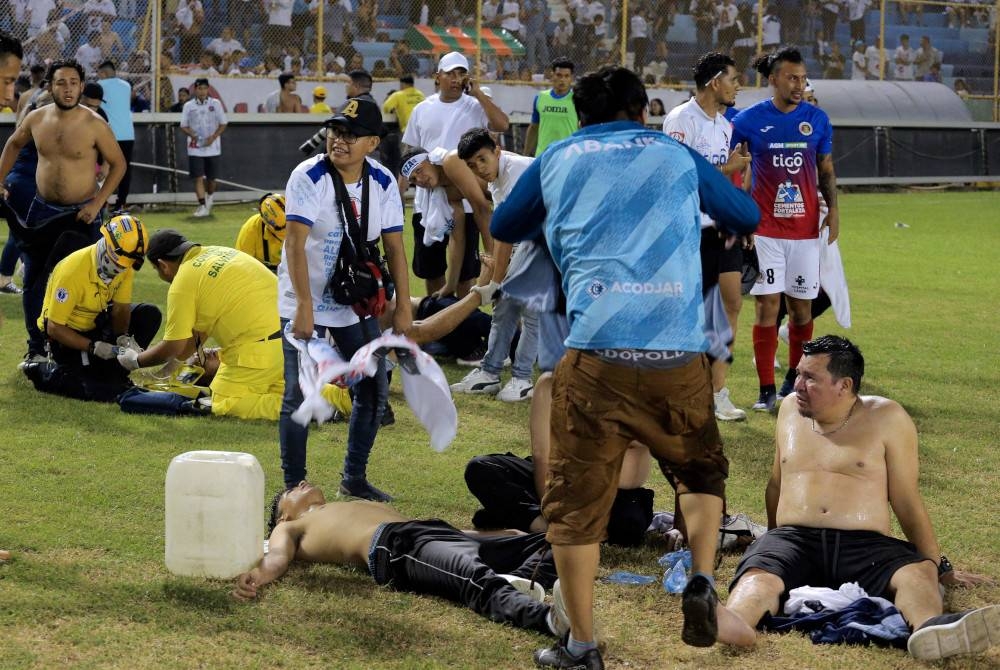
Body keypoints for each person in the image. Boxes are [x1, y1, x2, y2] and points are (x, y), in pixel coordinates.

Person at [491, 66, 759, 669]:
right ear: (644, 110)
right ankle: (701, 576)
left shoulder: (559, 156)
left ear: (582, 115)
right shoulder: (676, 153)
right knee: (698, 471)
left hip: (597, 351)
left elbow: (505, 224)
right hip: (677, 350)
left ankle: (582, 646)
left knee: (578, 503)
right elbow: (745, 215)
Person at [716, 335, 1000, 662]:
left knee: (917, 574)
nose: (798, 385)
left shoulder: (888, 418)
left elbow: (906, 501)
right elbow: (776, 484)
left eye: (811, 378)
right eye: (798, 373)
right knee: (758, 578)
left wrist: (938, 565)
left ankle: (928, 630)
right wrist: (769, 545)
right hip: (795, 539)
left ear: (844, 385)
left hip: (864, 545)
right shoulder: (789, 412)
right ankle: (735, 622)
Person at [278, 98, 412, 501]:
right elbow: (294, 244)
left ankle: (353, 478)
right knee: (298, 394)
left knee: (373, 386)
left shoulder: (384, 182)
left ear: (372, 142)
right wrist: (304, 305)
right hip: (303, 295)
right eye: (336, 132)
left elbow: (394, 247)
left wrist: (402, 305)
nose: (340, 141)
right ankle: (293, 488)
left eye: (352, 135)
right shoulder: (309, 175)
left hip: (350, 301)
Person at [232, 482, 570, 639]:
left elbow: (438, 535)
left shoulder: (345, 504)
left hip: (430, 532)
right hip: (395, 546)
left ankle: (524, 584)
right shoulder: (290, 527)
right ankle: (546, 619)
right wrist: (260, 576)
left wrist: (492, 537)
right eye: (292, 490)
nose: (302, 483)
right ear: (282, 515)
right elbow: (276, 556)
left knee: (551, 542)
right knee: (471, 577)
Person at [731, 48, 839, 411]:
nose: (799, 85)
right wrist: (741, 215)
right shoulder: (747, 121)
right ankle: (764, 390)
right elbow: (735, 169)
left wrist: (834, 210)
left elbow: (825, 168)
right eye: (791, 77)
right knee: (766, 308)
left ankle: (793, 381)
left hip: (805, 232)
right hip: (764, 231)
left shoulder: (818, 119)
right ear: (773, 79)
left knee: (801, 312)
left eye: (803, 78)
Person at [0, 58, 126, 364]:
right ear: (50, 86)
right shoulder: (36, 118)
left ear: (82, 87)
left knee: (88, 281)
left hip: (83, 214)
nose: (68, 89)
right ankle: (35, 346)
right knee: (34, 278)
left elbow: (119, 165)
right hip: (41, 209)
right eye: (61, 83)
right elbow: (14, 144)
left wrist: (97, 203)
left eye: (73, 83)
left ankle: (81, 346)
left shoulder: (96, 124)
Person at [662, 51, 752, 423]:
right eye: (733, 79)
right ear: (715, 81)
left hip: (721, 227)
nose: (738, 86)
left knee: (732, 303)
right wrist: (726, 167)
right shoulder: (681, 119)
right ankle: (682, 390)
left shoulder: (725, 124)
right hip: (688, 230)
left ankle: (717, 392)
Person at [118, 229, 285, 420]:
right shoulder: (218, 252)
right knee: (281, 387)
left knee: (221, 403)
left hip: (257, 351)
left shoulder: (183, 281)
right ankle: (327, 396)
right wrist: (166, 373)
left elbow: (174, 345)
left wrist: (136, 361)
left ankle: (301, 409)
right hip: (291, 338)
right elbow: (194, 337)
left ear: (163, 265)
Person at [401, 51, 509, 296]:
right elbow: (410, 153)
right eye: (451, 73)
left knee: (464, 275)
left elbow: (502, 125)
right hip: (427, 200)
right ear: (437, 76)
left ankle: (460, 322)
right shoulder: (421, 109)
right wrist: (399, 193)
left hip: (465, 198)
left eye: (461, 73)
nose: (456, 79)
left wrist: (479, 94)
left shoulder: (475, 105)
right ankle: (437, 321)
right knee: (431, 270)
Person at [23, 214, 161, 400]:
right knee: (97, 391)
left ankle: (116, 372)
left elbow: (120, 309)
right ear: (107, 246)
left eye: (124, 266)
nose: (120, 270)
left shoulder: (124, 265)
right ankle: (43, 372)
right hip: (65, 336)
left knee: (150, 315)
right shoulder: (72, 271)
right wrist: (93, 346)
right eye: (118, 264)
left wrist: (122, 338)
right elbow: (54, 328)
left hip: (96, 323)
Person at [449, 128, 538, 401]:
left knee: (532, 310)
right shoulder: (497, 178)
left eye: (482, 159)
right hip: (534, 238)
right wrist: (496, 282)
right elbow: (502, 231)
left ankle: (523, 379)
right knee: (505, 305)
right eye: (473, 165)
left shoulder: (516, 172)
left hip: (553, 239)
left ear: (497, 150)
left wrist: (495, 281)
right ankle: (490, 373)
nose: (480, 169)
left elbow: (507, 235)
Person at [399, 146, 495, 300]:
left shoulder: (451, 161)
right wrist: (451, 284)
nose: (420, 180)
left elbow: (483, 210)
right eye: (413, 180)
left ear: (430, 160)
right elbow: (457, 238)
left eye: (419, 170)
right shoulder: (445, 193)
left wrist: (492, 259)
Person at [179, 77, 227, 218]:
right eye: (200, 88)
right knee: (198, 177)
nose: (202, 91)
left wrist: (213, 137)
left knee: (212, 178)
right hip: (195, 147)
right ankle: (202, 205)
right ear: (195, 89)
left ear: (208, 89)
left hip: (213, 147)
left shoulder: (215, 104)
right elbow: (183, 125)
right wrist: (193, 135)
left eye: (205, 88)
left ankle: (210, 198)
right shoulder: (189, 106)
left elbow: (223, 123)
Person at [96, 60, 136, 211]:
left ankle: (101, 203)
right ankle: (121, 203)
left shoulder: (100, 85)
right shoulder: (126, 86)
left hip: (109, 134)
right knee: (124, 169)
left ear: (103, 73)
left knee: (103, 169)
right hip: (128, 134)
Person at [524, 58, 576, 157]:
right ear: (552, 75)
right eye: (559, 75)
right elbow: (534, 127)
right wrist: (525, 154)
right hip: (543, 156)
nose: (562, 80)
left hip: (568, 157)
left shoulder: (577, 100)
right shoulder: (540, 98)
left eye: (566, 76)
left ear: (571, 78)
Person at [235, 193, 285, 273]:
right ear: (267, 223)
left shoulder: (304, 225)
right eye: (283, 228)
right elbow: (242, 265)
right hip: (261, 275)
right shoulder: (252, 228)